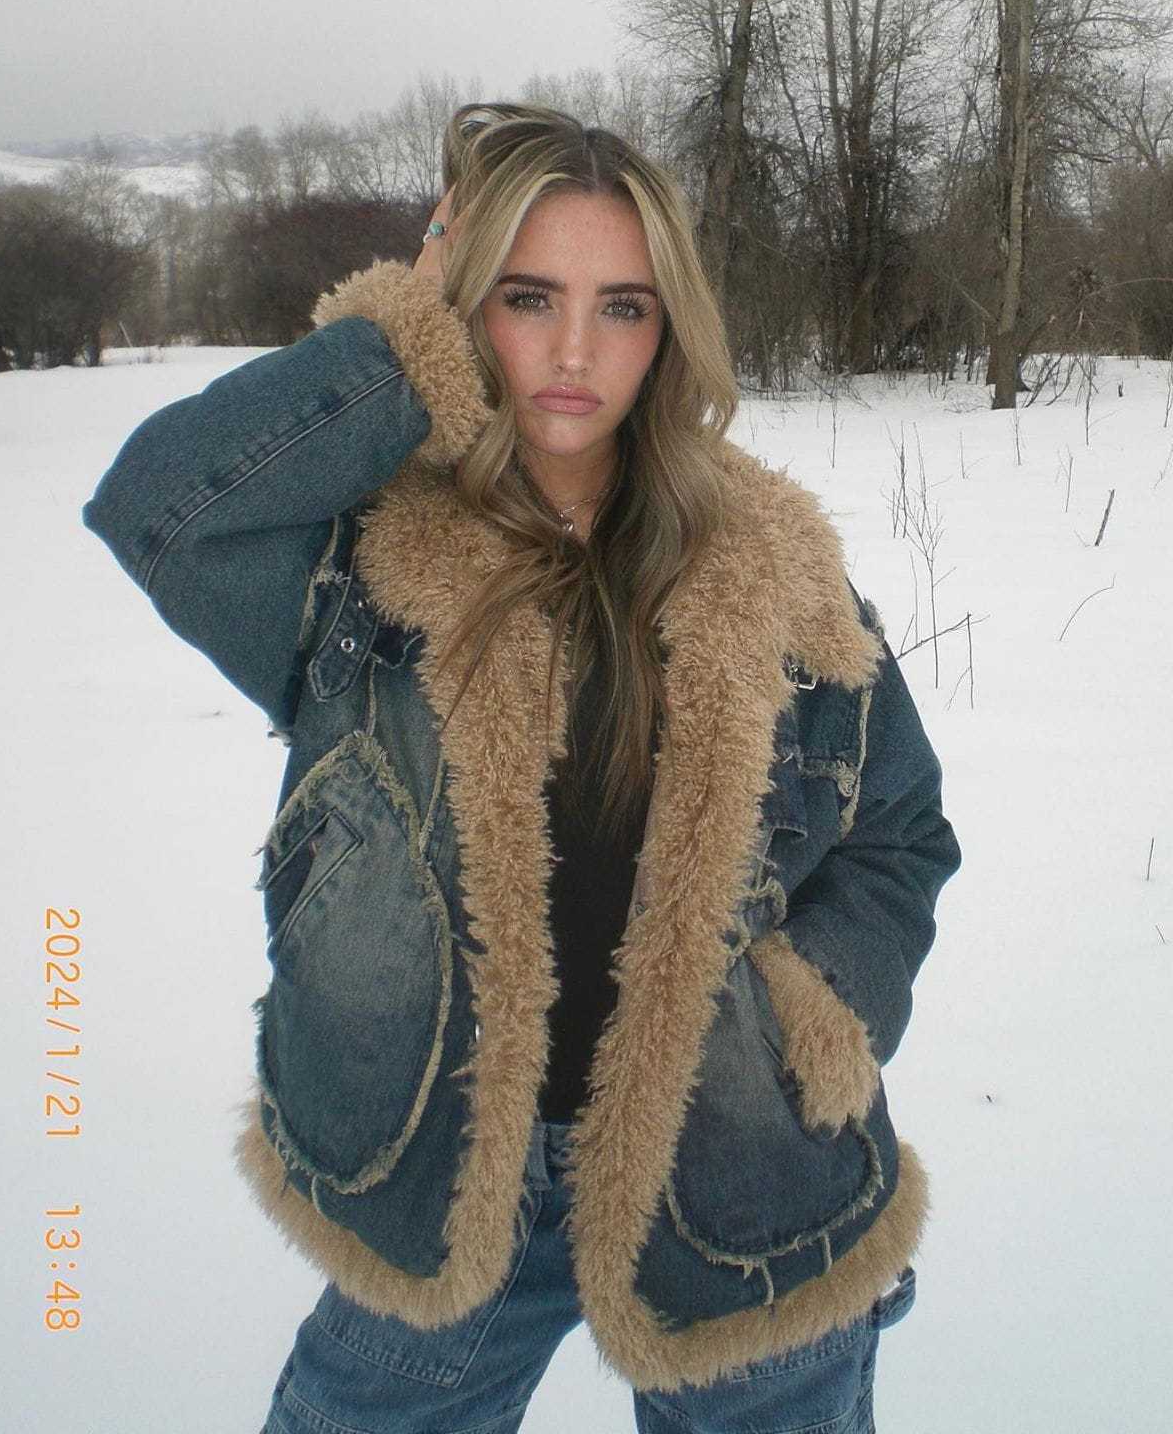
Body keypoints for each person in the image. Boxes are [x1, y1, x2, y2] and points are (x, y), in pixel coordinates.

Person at [82, 102, 961, 1433]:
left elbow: (900, 829)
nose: (573, 351)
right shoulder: (362, 569)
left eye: (623, 307)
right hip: (439, 1191)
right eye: (526, 295)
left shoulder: (772, 567)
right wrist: (404, 332)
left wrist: (816, 1006)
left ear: (670, 327)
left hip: (739, 1184)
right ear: (467, 297)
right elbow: (161, 503)